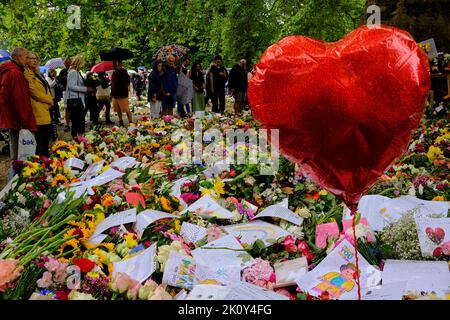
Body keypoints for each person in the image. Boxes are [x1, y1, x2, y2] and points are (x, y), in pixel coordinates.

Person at [0, 47, 37, 180]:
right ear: (18, 57)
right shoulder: (15, 73)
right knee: (20, 157)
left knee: (16, 156)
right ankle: (15, 186)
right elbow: (20, 100)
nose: (28, 61)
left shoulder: (8, 71)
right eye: (26, 57)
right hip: (19, 121)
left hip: (12, 119)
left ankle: (14, 184)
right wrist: (26, 122)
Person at [24, 52, 53, 157]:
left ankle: (45, 160)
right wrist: (49, 100)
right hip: (38, 109)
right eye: (31, 58)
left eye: (36, 58)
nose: (34, 60)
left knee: (46, 138)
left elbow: (46, 88)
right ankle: (40, 162)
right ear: (26, 60)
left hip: (45, 108)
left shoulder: (37, 73)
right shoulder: (27, 73)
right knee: (40, 140)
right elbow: (33, 92)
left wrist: (49, 100)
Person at [66, 55, 95, 138]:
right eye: (83, 62)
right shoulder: (73, 72)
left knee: (77, 121)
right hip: (75, 100)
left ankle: (78, 138)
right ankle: (78, 138)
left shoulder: (75, 72)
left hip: (77, 99)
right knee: (78, 121)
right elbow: (72, 86)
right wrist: (86, 89)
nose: (84, 64)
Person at [111, 60, 132, 126]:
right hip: (115, 94)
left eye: (114, 64)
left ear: (118, 64)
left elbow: (128, 81)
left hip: (122, 94)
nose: (113, 66)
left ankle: (130, 121)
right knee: (118, 109)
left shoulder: (123, 71)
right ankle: (120, 120)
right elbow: (113, 84)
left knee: (126, 109)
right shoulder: (114, 72)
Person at [58, 57, 71, 132]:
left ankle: (74, 122)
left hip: (74, 92)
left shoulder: (75, 71)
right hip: (66, 92)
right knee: (67, 108)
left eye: (68, 62)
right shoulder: (62, 72)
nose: (67, 63)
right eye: (66, 62)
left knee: (74, 108)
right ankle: (67, 124)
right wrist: (62, 87)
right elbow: (59, 82)